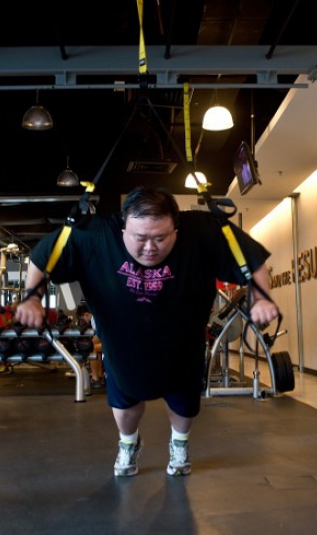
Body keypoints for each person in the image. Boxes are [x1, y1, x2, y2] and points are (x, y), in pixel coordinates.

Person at [15, 186, 279, 477]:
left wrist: (261, 297)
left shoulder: (202, 231)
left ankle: (179, 443)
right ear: (123, 227)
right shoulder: (96, 236)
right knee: (126, 403)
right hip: (123, 344)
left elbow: (252, 260)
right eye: (140, 238)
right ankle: (128, 443)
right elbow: (42, 257)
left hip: (182, 342)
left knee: (185, 405)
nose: (150, 247)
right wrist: (32, 298)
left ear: (176, 228)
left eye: (161, 237)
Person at [76, 304, 105, 389]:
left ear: (86, 314)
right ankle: (100, 375)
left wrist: (85, 345)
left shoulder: (95, 319)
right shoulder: (97, 317)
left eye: (82, 318)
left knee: (91, 349)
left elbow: (99, 338)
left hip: (114, 344)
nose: (84, 321)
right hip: (112, 343)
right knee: (96, 349)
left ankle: (95, 379)